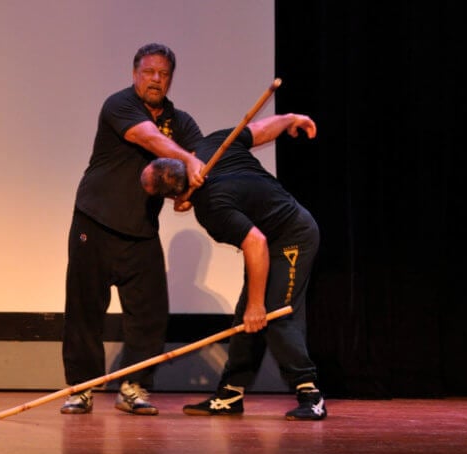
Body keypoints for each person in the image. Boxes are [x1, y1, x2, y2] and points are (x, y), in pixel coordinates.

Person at [140, 113, 327, 421]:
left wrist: (257, 304)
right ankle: (231, 393)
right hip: (269, 240)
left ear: (173, 196)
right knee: (245, 319)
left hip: (292, 235)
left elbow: (255, 244)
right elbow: (262, 129)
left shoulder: (211, 208)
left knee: (273, 312)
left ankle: (311, 394)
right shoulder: (212, 145)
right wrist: (290, 119)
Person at [60, 43, 206, 415]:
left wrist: (187, 193)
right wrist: (188, 160)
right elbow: (150, 140)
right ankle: (82, 388)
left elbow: (202, 160)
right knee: (85, 307)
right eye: (148, 72)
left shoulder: (182, 122)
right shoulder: (119, 105)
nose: (156, 80)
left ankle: (133, 385)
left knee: (149, 313)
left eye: (163, 74)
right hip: (94, 220)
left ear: (171, 79)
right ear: (134, 74)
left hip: (140, 229)